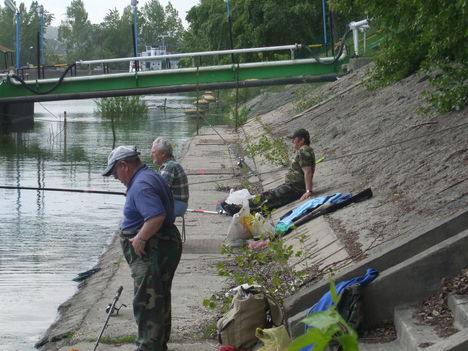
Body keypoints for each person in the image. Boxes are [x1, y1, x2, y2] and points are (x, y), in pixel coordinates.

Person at [102, 145, 182, 351]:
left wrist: (139, 238)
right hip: (163, 245)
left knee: (147, 301)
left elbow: (156, 216)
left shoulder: (142, 184)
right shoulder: (149, 176)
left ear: (124, 165)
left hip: (152, 250)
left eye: (115, 172)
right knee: (159, 297)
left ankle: (148, 347)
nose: (115, 177)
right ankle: (157, 345)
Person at [222, 128, 315, 215]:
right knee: (269, 196)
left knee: (269, 198)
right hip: (292, 186)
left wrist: (308, 191)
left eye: (295, 139)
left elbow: (308, 172)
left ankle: (239, 209)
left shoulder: (304, 151)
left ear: (302, 140)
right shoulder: (306, 150)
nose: (293, 141)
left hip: (295, 188)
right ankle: (240, 207)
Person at [150, 137, 189, 216]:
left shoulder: (170, 166)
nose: (151, 155)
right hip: (178, 203)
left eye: (153, 152)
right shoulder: (168, 165)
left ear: (163, 154)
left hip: (177, 205)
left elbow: (161, 190)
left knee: (144, 213)